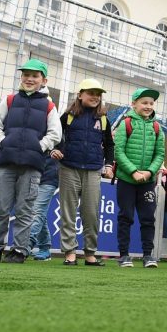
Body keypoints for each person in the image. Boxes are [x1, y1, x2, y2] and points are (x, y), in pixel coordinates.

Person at [0, 59, 61, 264]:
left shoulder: (49, 106)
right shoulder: (9, 100)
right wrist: (4, 141)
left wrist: (38, 146)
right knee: (0, 207)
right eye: (26, 74)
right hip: (6, 163)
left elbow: (55, 134)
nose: (29, 79)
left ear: (44, 80)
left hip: (32, 166)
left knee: (25, 210)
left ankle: (19, 250)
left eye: (34, 76)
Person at [54, 79, 115, 266]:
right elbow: (55, 135)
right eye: (91, 93)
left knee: (91, 213)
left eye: (98, 94)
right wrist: (55, 149)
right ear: (80, 95)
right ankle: (70, 252)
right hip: (68, 168)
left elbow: (110, 145)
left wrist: (109, 165)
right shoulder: (68, 116)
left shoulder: (104, 119)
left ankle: (90, 253)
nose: (95, 97)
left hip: (93, 170)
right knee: (68, 212)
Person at [113, 87, 165, 268]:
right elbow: (118, 151)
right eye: (144, 102)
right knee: (125, 216)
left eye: (151, 103)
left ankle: (148, 255)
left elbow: (160, 154)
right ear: (133, 104)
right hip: (127, 180)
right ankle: (124, 255)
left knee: (148, 218)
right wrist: (133, 171)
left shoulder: (157, 128)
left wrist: (149, 172)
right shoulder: (125, 124)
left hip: (147, 182)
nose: (148, 106)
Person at [29, 146, 58, 260]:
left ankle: (25, 246)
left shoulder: (57, 130)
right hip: (31, 174)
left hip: (49, 176)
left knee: (38, 212)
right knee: (40, 214)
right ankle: (44, 248)